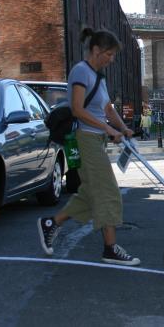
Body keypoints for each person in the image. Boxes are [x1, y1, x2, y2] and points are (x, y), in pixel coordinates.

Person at [37, 27, 140, 266]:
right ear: (96, 50)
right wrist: (108, 129)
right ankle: (110, 248)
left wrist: (122, 128)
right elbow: (77, 109)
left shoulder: (98, 77)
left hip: (96, 140)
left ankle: (51, 223)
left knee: (90, 193)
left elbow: (107, 109)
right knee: (108, 192)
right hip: (85, 139)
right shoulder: (81, 71)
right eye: (109, 54)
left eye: (113, 55)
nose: (111, 59)